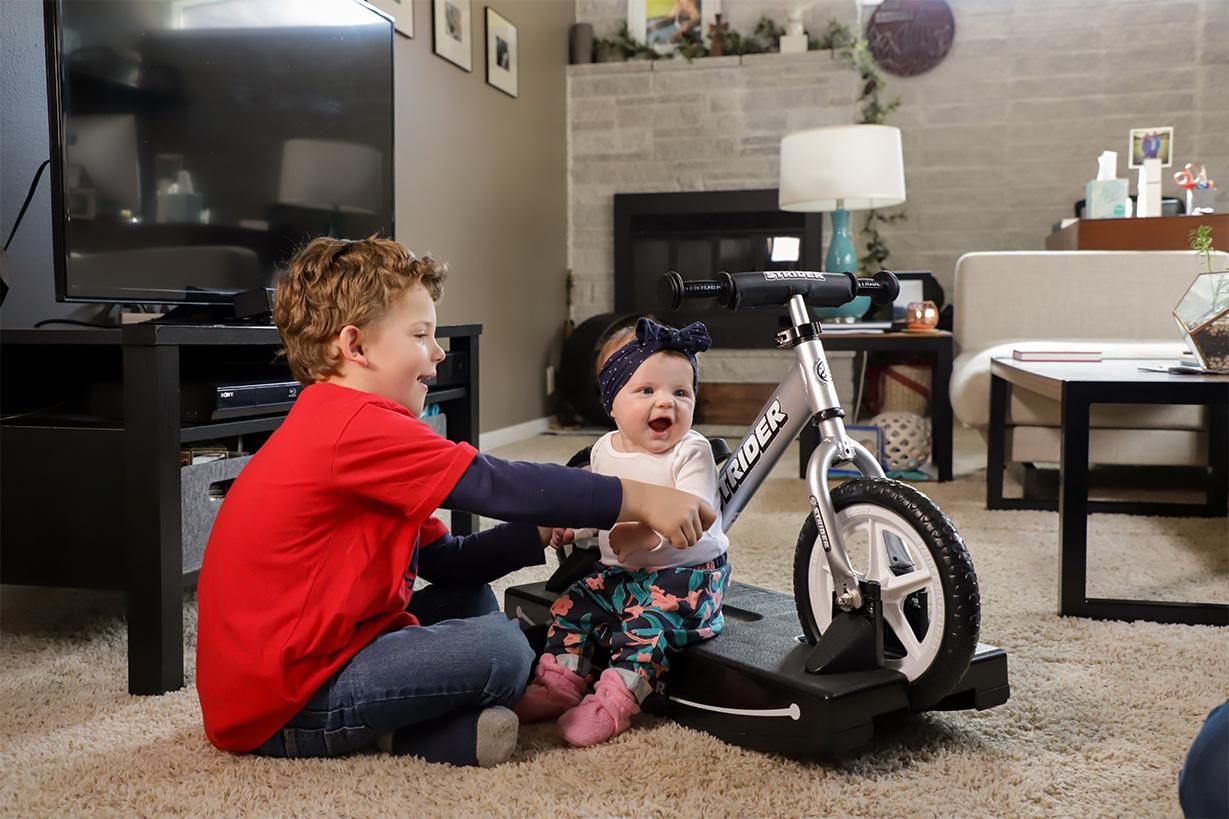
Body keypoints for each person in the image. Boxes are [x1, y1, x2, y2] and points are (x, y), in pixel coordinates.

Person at [194, 237, 716, 767]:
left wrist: (540, 529)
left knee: (471, 600)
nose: (439, 351)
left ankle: (405, 730)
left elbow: (450, 563)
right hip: (286, 701)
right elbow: (492, 482)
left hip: (326, 648)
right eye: (421, 335)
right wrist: (636, 497)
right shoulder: (353, 427)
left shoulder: (347, 426)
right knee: (504, 652)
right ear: (355, 346)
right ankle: (375, 728)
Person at [514, 317, 731, 747]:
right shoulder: (604, 450)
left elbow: (697, 516)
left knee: (645, 628)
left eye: (680, 392)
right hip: (622, 573)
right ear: (612, 403)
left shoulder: (692, 451)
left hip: (686, 578)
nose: (666, 404)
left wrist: (648, 534)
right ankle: (559, 684)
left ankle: (614, 703)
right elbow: (598, 509)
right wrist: (573, 529)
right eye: (647, 391)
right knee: (571, 605)